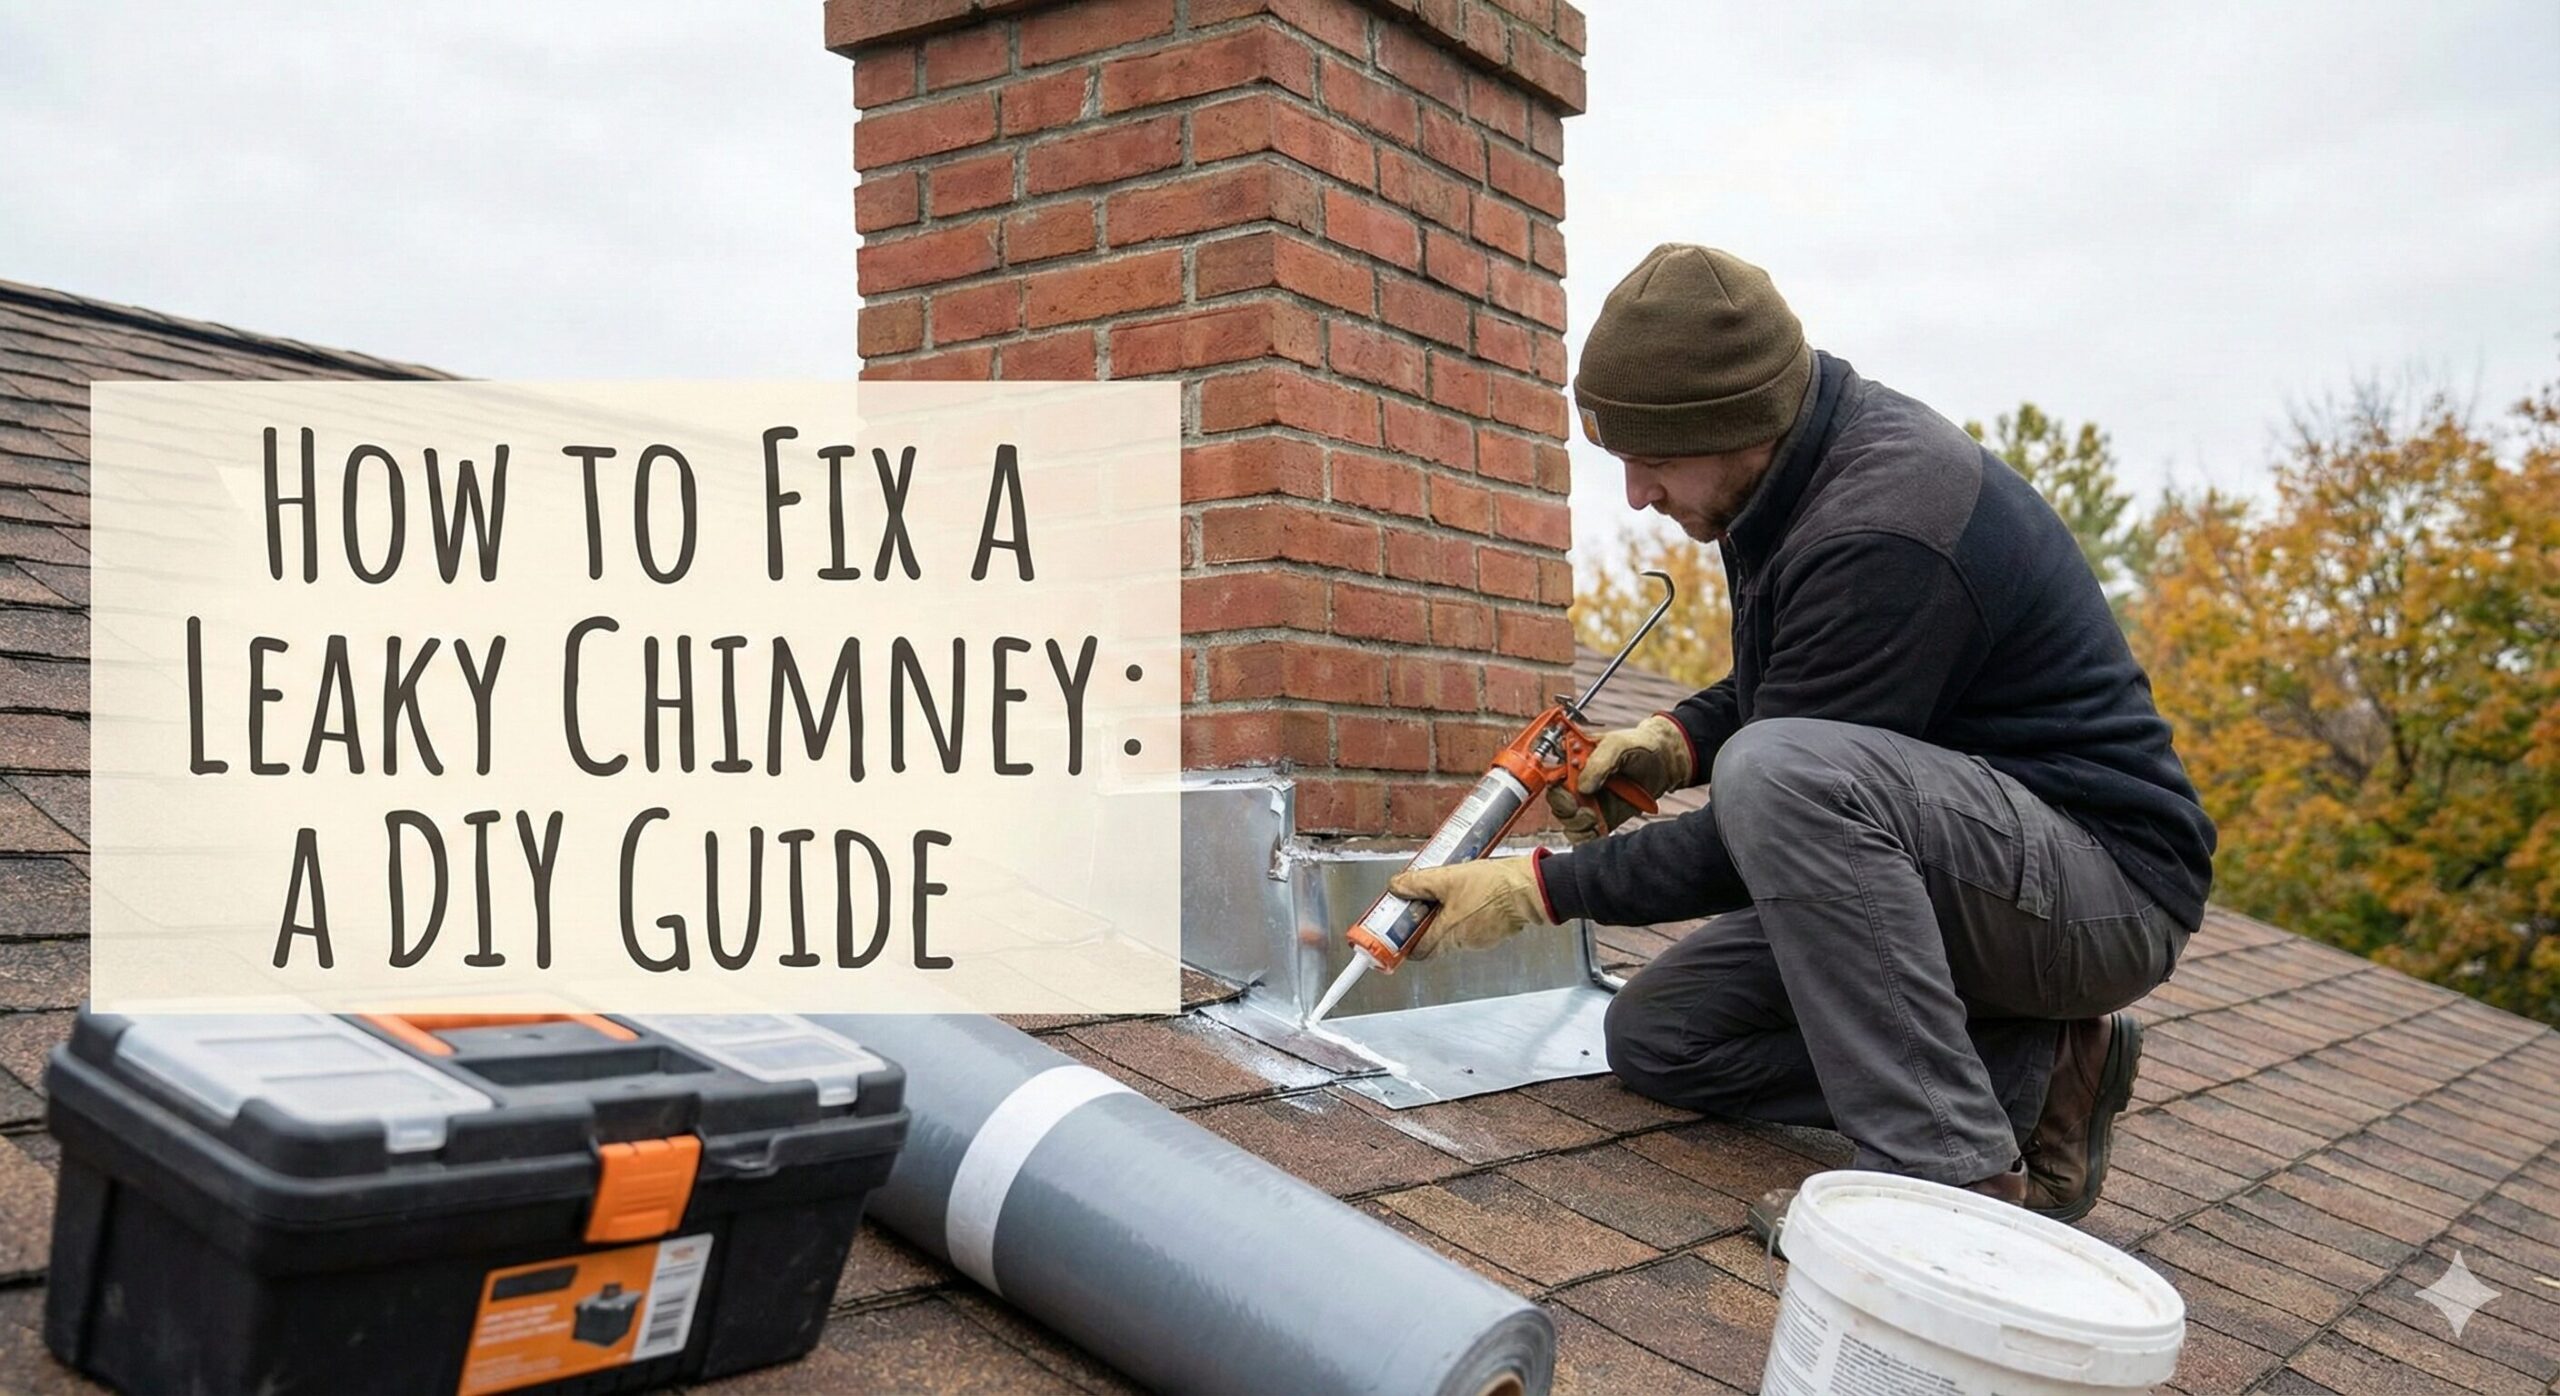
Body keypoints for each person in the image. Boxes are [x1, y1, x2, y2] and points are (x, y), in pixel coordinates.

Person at [1386, 244, 2215, 1237]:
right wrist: (1674, 741)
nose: (1637, 494)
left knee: (1778, 776)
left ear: (1735, 424)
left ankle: (1942, 1183)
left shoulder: (1885, 524)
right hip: (1963, 872)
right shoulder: (1777, 477)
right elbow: (1793, 692)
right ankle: (2034, 1083)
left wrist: (1538, 888)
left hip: (2102, 890)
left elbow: (1777, 806)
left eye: (1651, 459)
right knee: (1660, 1037)